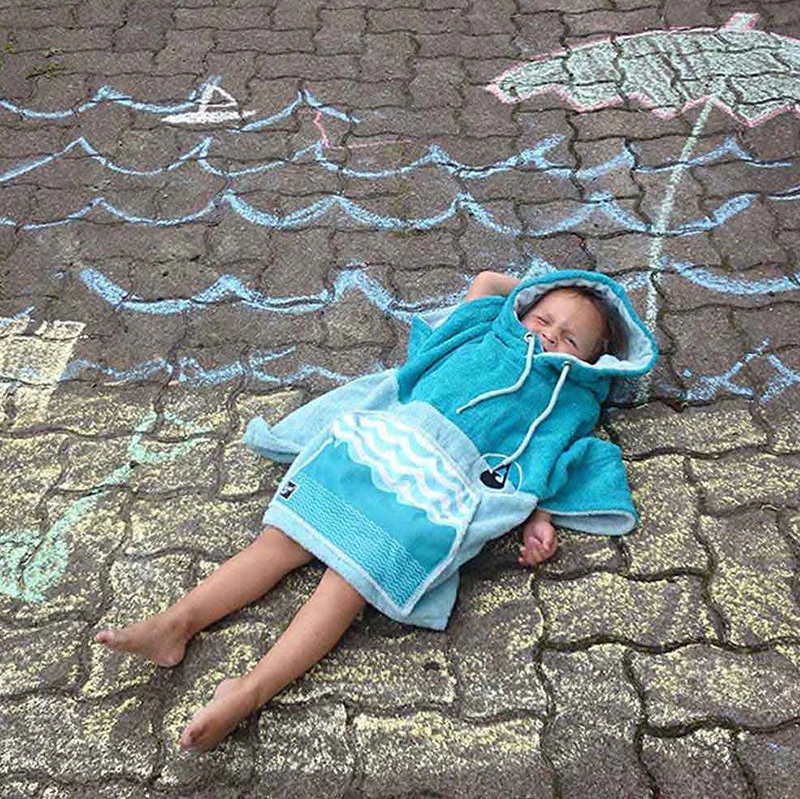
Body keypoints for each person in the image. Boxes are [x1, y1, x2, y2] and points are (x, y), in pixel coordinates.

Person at [94, 268, 656, 752]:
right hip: (390, 438)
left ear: (597, 362)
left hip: (446, 483)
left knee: (348, 582)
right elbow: (488, 282)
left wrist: (540, 518)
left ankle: (249, 691)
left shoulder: (572, 398)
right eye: (543, 319)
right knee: (281, 540)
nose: (549, 335)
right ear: (523, 308)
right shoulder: (489, 328)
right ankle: (176, 623)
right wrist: (546, 290)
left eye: (570, 339)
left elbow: (552, 459)